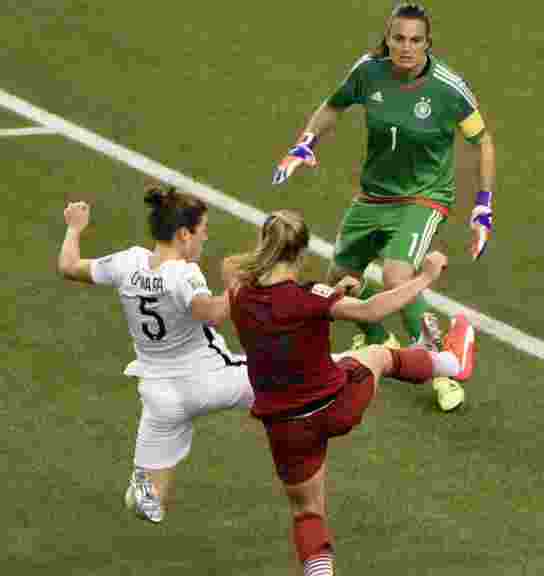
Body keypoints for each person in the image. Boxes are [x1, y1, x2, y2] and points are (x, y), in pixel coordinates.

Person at [271, 2, 496, 412]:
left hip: (423, 197)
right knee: (340, 278)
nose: (406, 47)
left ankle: (441, 368)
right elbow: (333, 105)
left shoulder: (448, 88)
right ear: (387, 38)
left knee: (397, 275)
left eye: (415, 40)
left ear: (428, 43)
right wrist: (306, 142)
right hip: (374, 195)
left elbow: (481, 140)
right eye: (398, 39)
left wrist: (483, 204)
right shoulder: (368, 71)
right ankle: (377, 338)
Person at [225, 209, 475, 576]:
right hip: (337, 404)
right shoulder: (310, 297)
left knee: (308, 513)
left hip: (286, 427)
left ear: (265, 244)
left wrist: (328, 297)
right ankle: (451, 363)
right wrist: (425, 277)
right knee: (376, 356)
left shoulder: (239, 296)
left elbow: (263, 296)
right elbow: (372, 311)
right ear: (301, 254)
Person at [56, 183, 254, 524]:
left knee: (151, 501)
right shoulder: (182, 273)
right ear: (183, 234)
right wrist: (238, 284)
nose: (205, 239)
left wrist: (74, 228)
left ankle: (143, 492)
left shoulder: (126, 263)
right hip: (212, 380)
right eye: (202, 232)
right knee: (296, 373)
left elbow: (69, 266)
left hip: (161, 396)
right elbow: (213, 314)